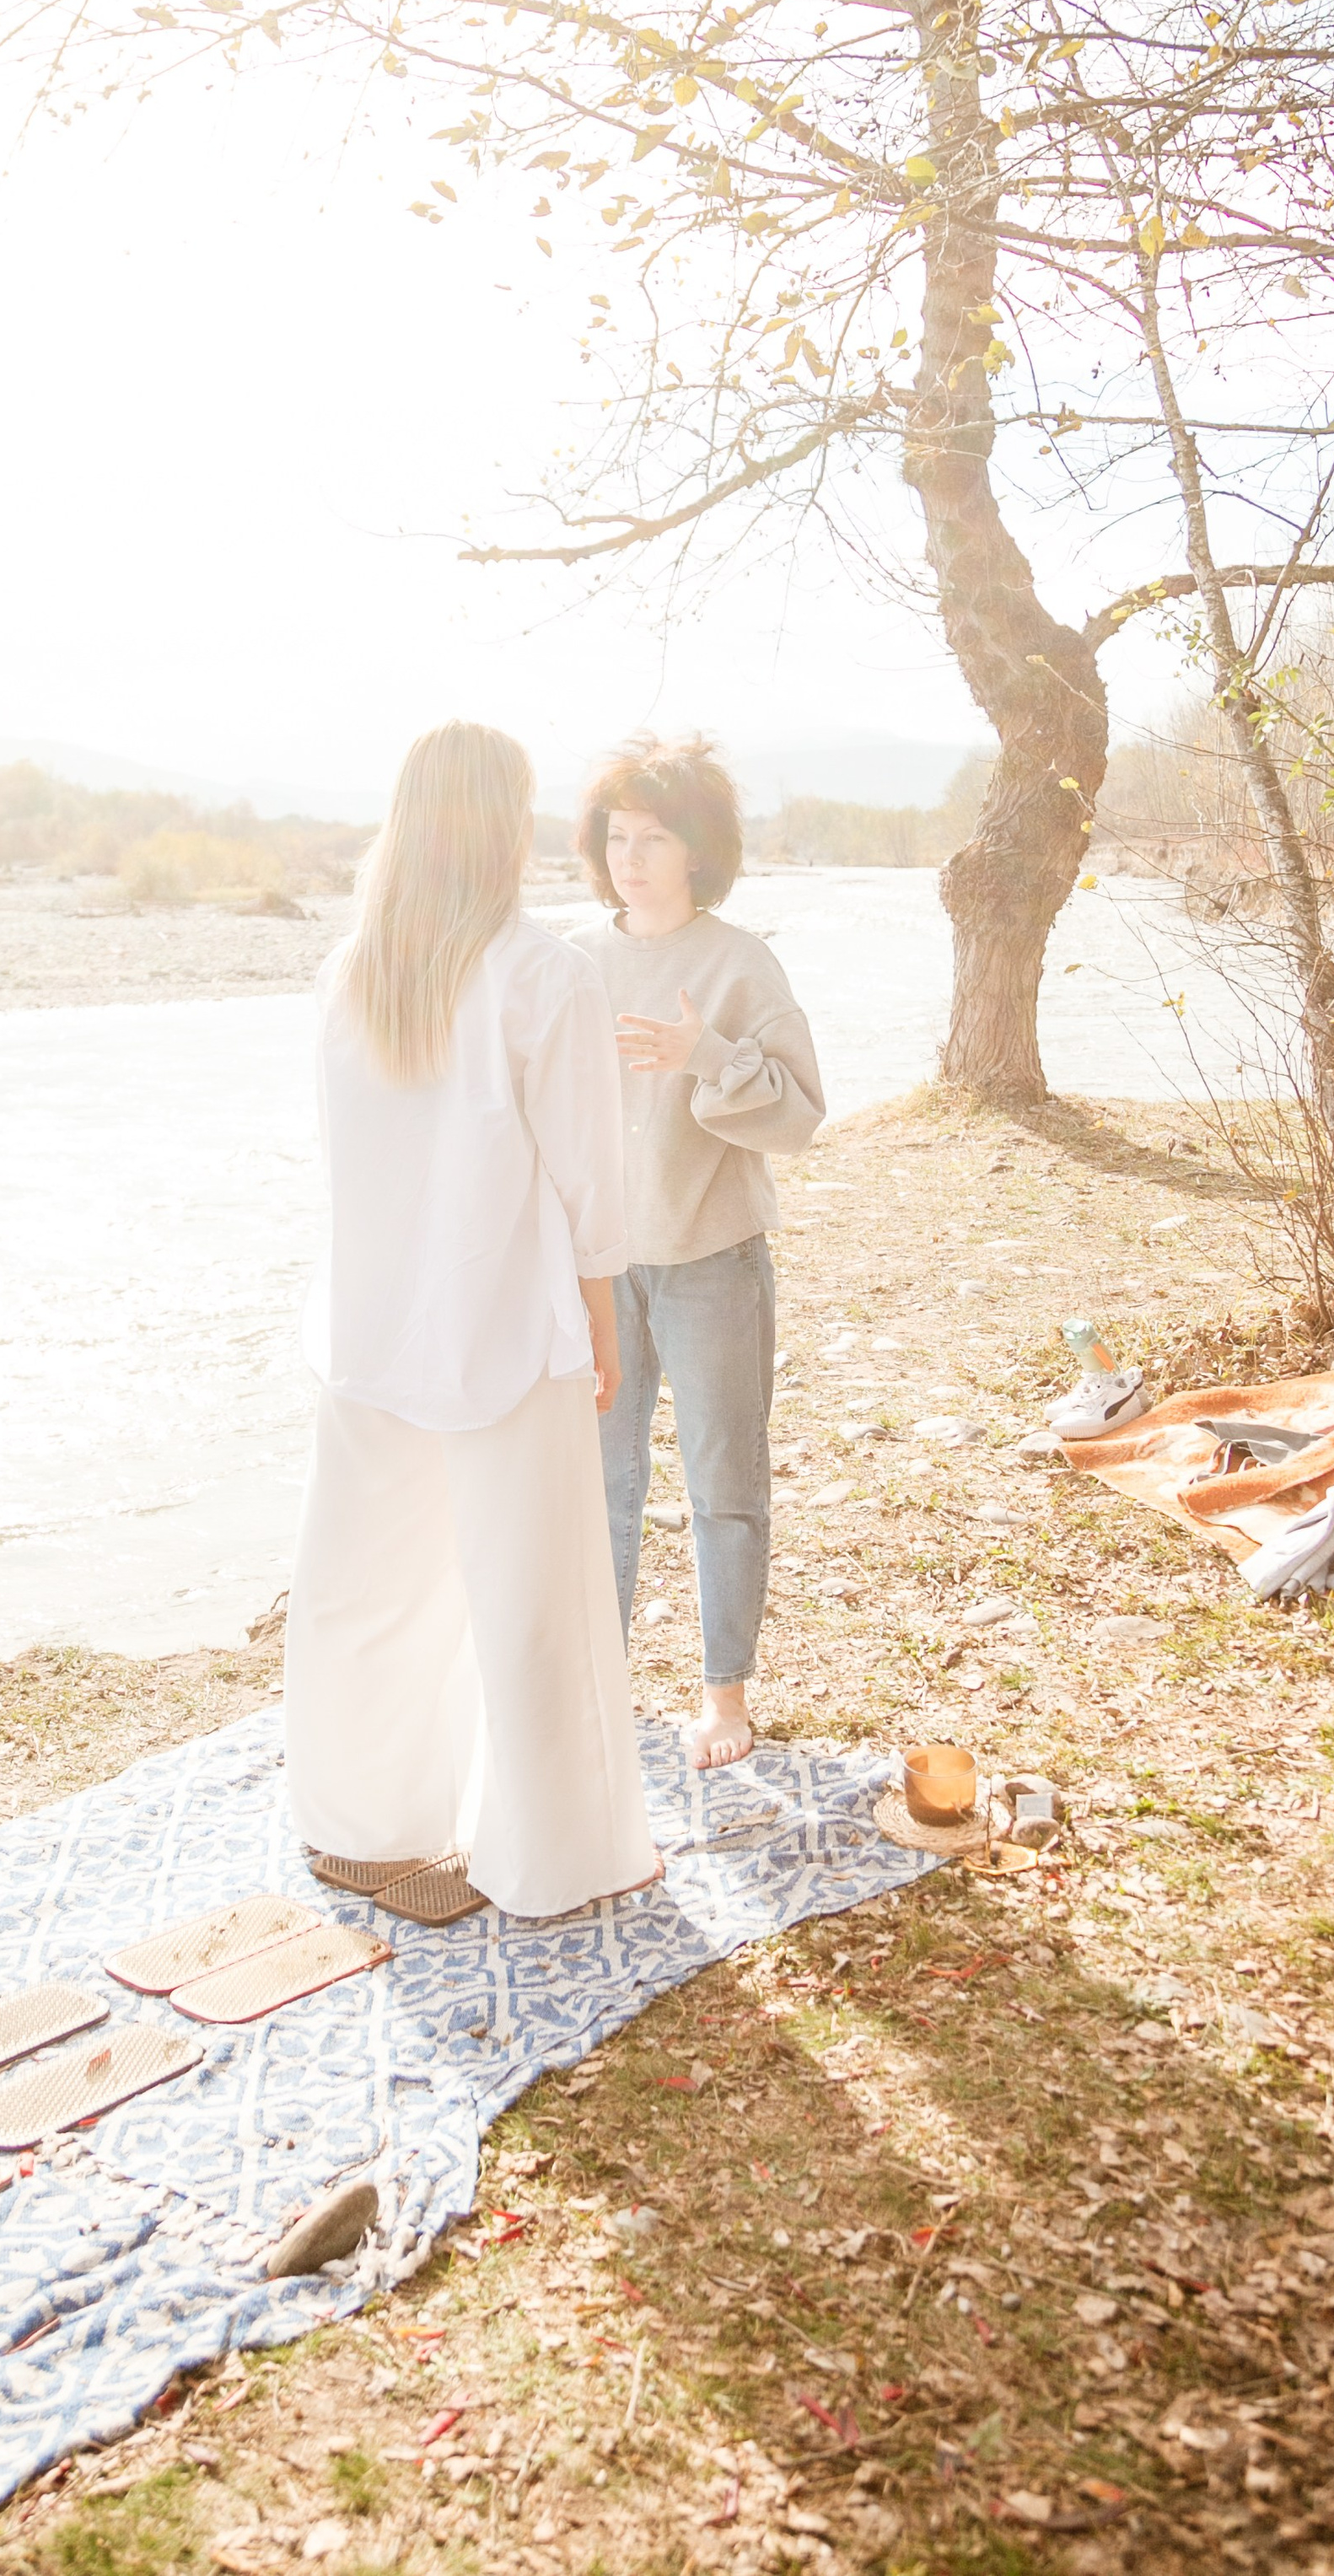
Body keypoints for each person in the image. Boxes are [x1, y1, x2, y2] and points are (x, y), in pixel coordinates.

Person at [286, 721, 659, 1918]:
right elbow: (590, 1183)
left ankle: (358, 1820)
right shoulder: (545, 973)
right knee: (531, 1591)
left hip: (368, 1327)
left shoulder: (356, 971)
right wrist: (602, 1319)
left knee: (363, 1586)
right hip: (502, 1327)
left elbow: (349, 1158)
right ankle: (551, 1856)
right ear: (504, 825)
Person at [576, 736, 825, 1770]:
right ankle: (594, 1687)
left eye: (654, 837)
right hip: (596, 1269)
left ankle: (724, 1696)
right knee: (600, 1485)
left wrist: (705, 1057)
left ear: (697, 850)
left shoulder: (738, 962)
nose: (630, 857)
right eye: (615, 837)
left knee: (724, 1479)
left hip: (713, 1261)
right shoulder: (573, 962)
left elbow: (801, 1116)